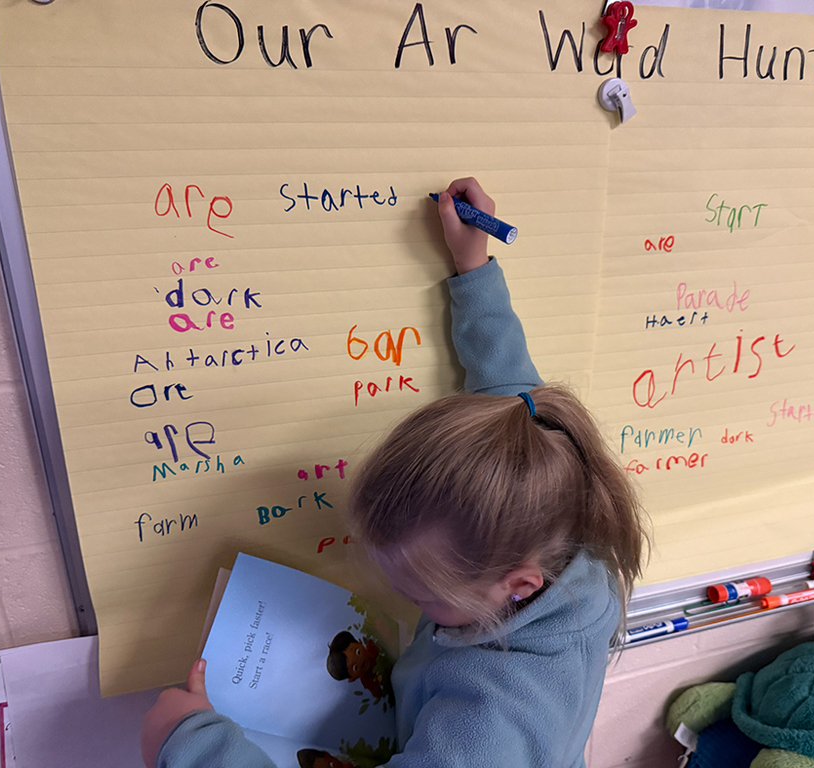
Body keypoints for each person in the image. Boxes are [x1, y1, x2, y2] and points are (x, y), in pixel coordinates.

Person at [141, 177, 647, 768]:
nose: (397, 598)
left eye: (417, 592)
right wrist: (473, 264)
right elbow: (511, 396)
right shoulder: (553, 495)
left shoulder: (493, 723)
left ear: (517, 585)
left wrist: (191, 746)